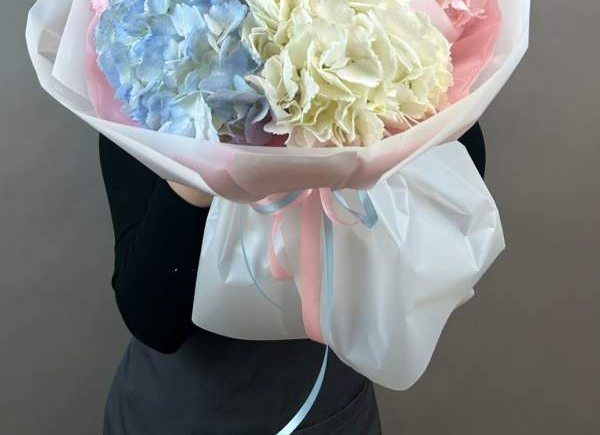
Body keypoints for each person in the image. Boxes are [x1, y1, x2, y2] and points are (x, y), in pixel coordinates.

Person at [99, 124, 486, 434]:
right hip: (182, 412)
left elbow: (452, 206)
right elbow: (154, 321)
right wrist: (204, 159)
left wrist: (370, 132)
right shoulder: (144, 102)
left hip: (328, 406)